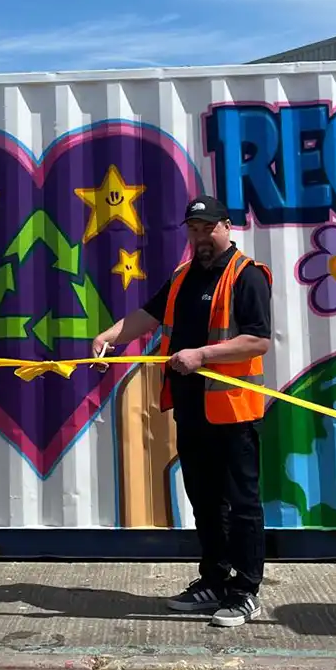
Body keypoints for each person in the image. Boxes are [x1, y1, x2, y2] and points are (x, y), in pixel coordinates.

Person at [91, 195, 273, 628]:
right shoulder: (182, 276)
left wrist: (202, 355)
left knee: (242, 504)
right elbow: (148, 315)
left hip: (232, 411)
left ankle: (246, 591)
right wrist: (109, 336)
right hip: (191, 409)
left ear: (226, 227)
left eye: (208, 228)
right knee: (205, 501)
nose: (200, 237)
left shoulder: (247, 275)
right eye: (193, 230)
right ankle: (214, 580)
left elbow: (258, 340)